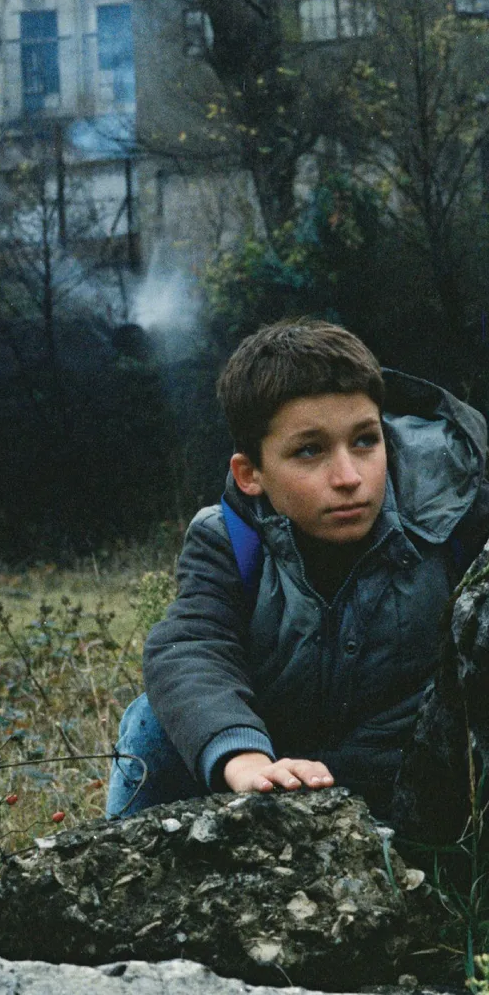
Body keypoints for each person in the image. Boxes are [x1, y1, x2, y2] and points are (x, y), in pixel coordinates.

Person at [107, 318, 489, 823]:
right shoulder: (228, 538)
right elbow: (192, 646)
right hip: (272, 771)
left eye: (365, 441)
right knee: (150, 721)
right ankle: (123, 860)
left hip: (414, 783)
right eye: (309, 450)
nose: (349, 477)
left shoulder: (457, 518)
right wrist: (244, 758)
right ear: (251, 474)